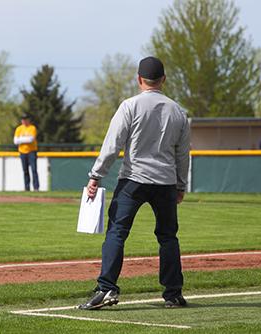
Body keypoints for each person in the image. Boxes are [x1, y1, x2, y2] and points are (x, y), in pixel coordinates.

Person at [78, 56, 191, 310]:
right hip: (165, 182)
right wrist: (181, 186)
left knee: (117, 233)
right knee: (168, 237)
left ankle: (107, 288)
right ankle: (173, 293)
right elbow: (183, 154)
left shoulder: (130, 106)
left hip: (133, 180)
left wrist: (96, 175)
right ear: (163, 79)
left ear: (139, 79)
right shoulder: (178, 112)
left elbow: (112, 145)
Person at [13, 114, 40, 191]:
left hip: (32, 152)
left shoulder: (32, 128)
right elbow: (15, 141)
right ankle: (26, 188)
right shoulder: (19, 129)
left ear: (28, 120)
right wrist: (25, 139)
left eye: (25, 119)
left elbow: (31, 139)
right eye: (22, 119)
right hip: (22, 152)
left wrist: (20, 139)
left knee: (34, 169)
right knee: (25, 171)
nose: (24, 121)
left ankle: (36, 187)